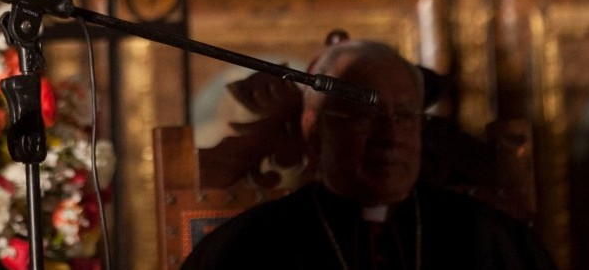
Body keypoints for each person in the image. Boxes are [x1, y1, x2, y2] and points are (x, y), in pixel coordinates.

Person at [182, 39, 556, 269]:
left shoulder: (493, 241)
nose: (390, 137)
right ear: (314, 131)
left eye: (406, 117)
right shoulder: (247, 248)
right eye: (364, 118)